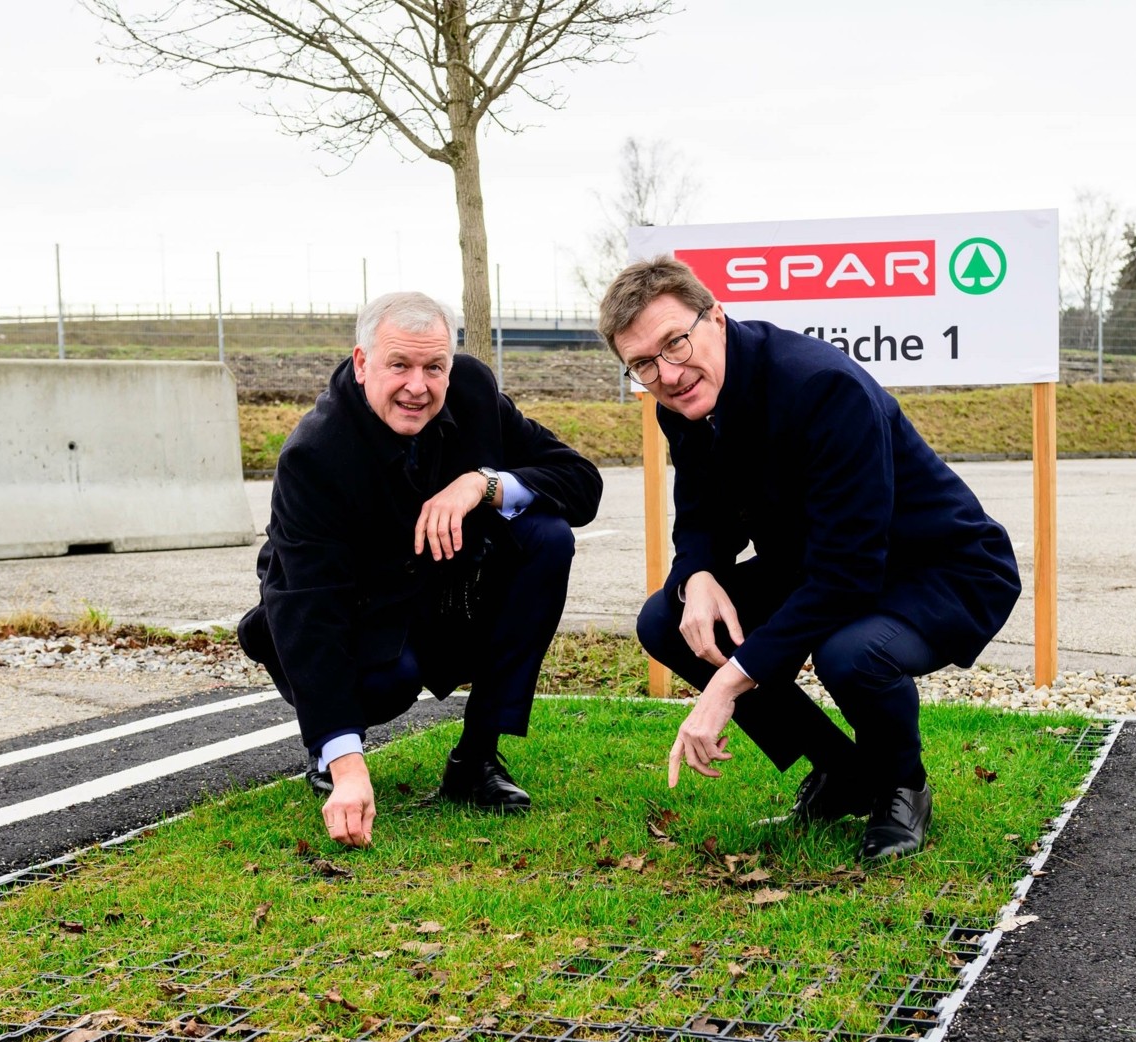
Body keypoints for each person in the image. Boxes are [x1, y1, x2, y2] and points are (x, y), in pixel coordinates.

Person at [601, 257, 1021, 861]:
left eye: (675, 343)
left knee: (851, 652)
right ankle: (843, 769)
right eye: (642, 363)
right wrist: (697, 575)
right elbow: (701, 513)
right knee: (667, 620)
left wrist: (727, 684)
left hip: (939, 567)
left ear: (715, 316)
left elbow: (847, 575)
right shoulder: (683, 399)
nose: (666, 373)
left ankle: (902, 785)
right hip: (824, 562)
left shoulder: (822, 387)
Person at [236, 291, 602, 848]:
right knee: (389, 681)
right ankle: (331, 752)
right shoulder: (314, 455)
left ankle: (476, 760)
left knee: (546, 537)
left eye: (435, 367)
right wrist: (348, 762)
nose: (418, 386)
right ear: (362, 363)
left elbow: (579, 481)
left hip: (443, 597)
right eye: (399, 365)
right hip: (350, 615)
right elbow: (307, 607)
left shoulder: (474, 393)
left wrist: (483, 482)